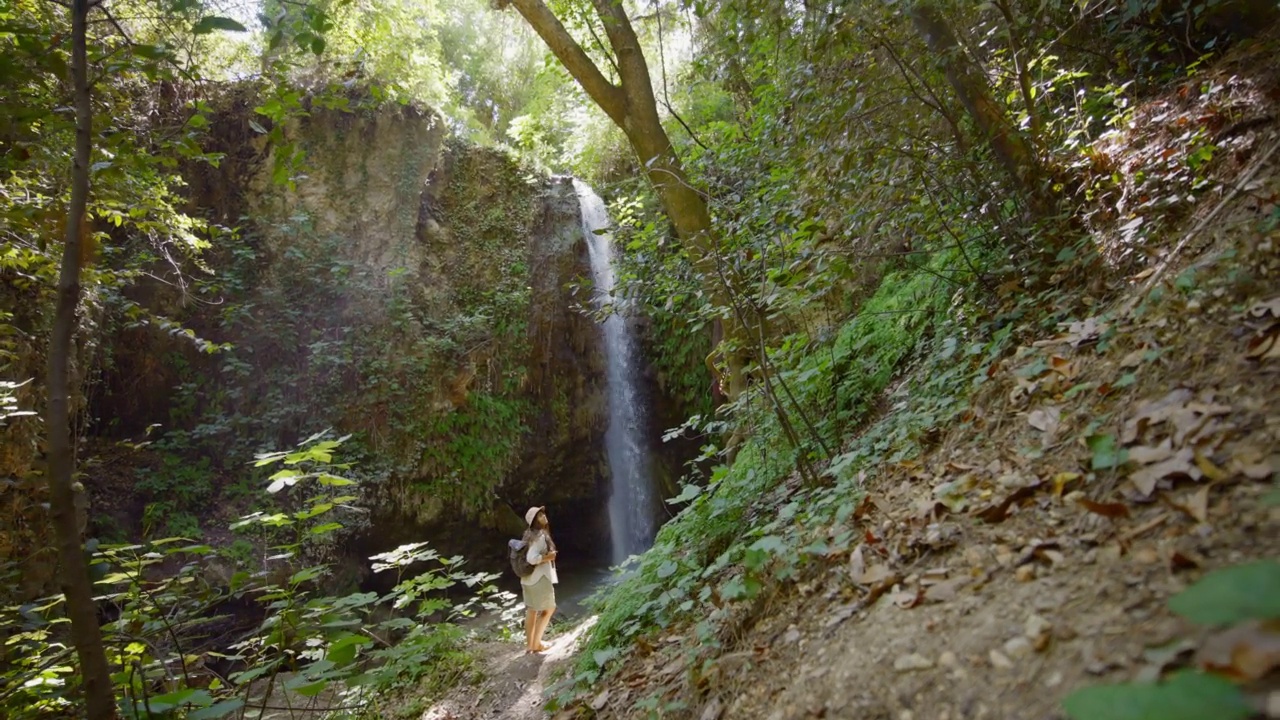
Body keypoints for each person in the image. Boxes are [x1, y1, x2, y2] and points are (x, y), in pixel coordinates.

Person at [521, 506, 558, 653]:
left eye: (543, 514)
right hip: (539, 579)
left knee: (531, 610)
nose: (544, 517)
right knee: (549, 608)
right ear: (534, 521)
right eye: (540, 516)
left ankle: (530, 645)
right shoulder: (539, 537)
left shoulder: (528, 535)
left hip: (527, 580)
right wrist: (548, 557)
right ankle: (536, 644)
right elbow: (531, 559)